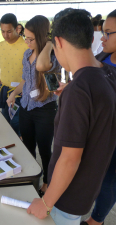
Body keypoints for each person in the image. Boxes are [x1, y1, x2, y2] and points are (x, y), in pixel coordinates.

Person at [27, 8, 116, 225]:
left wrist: (46, 202)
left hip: (65, 198)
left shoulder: (79, 91)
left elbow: (69, 159)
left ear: (59, 42)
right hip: (86, 192)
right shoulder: (106, 73)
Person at [7, 15, 60, 196]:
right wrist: (14, 93)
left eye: (30, 38)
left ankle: (47, 182)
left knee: (45, 150)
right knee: (27, 147)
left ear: (41, 36)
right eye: (25, 38)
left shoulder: (53, 56)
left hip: (45, 110)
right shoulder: (27, 54)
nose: (26, 42)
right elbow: (25, 80)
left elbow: (41, 66)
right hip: (26, 108)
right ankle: (31, 177)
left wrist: (49, 44)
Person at [80, 9, 116, 225]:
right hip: (100, 132)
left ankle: (96, 220)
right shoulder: (102, 57)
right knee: (99, 175)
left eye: (108, 33)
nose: (102, 38)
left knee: (110, 179)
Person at [0, 13, 28, 137]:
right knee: (5, 124)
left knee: (17, 127)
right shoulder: (0, 46)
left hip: (20, 93)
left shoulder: (26, 46)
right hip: (5, 90)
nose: (5, 35)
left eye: (9, 31)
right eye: (2, 31)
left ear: (17, 28)